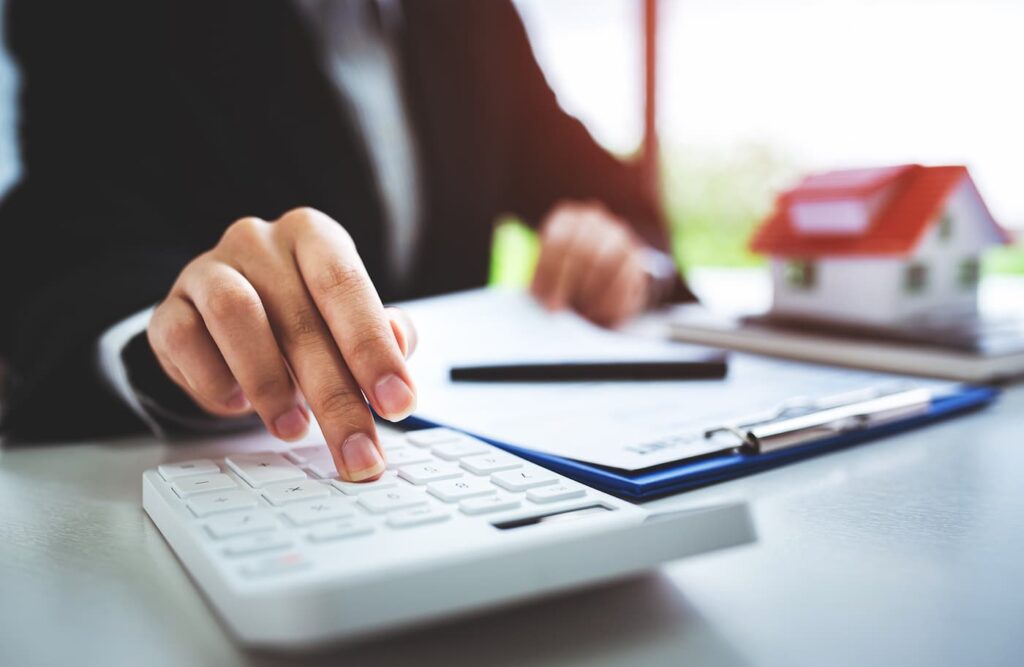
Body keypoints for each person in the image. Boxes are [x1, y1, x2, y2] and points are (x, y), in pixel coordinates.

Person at [0, 0, 692, 480]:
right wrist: (174, 335)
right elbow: (64, 236)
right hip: (225, 470)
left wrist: (627, 252)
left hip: (471, 464)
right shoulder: (100, 15)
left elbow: (611, 193)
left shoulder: (474, 14)